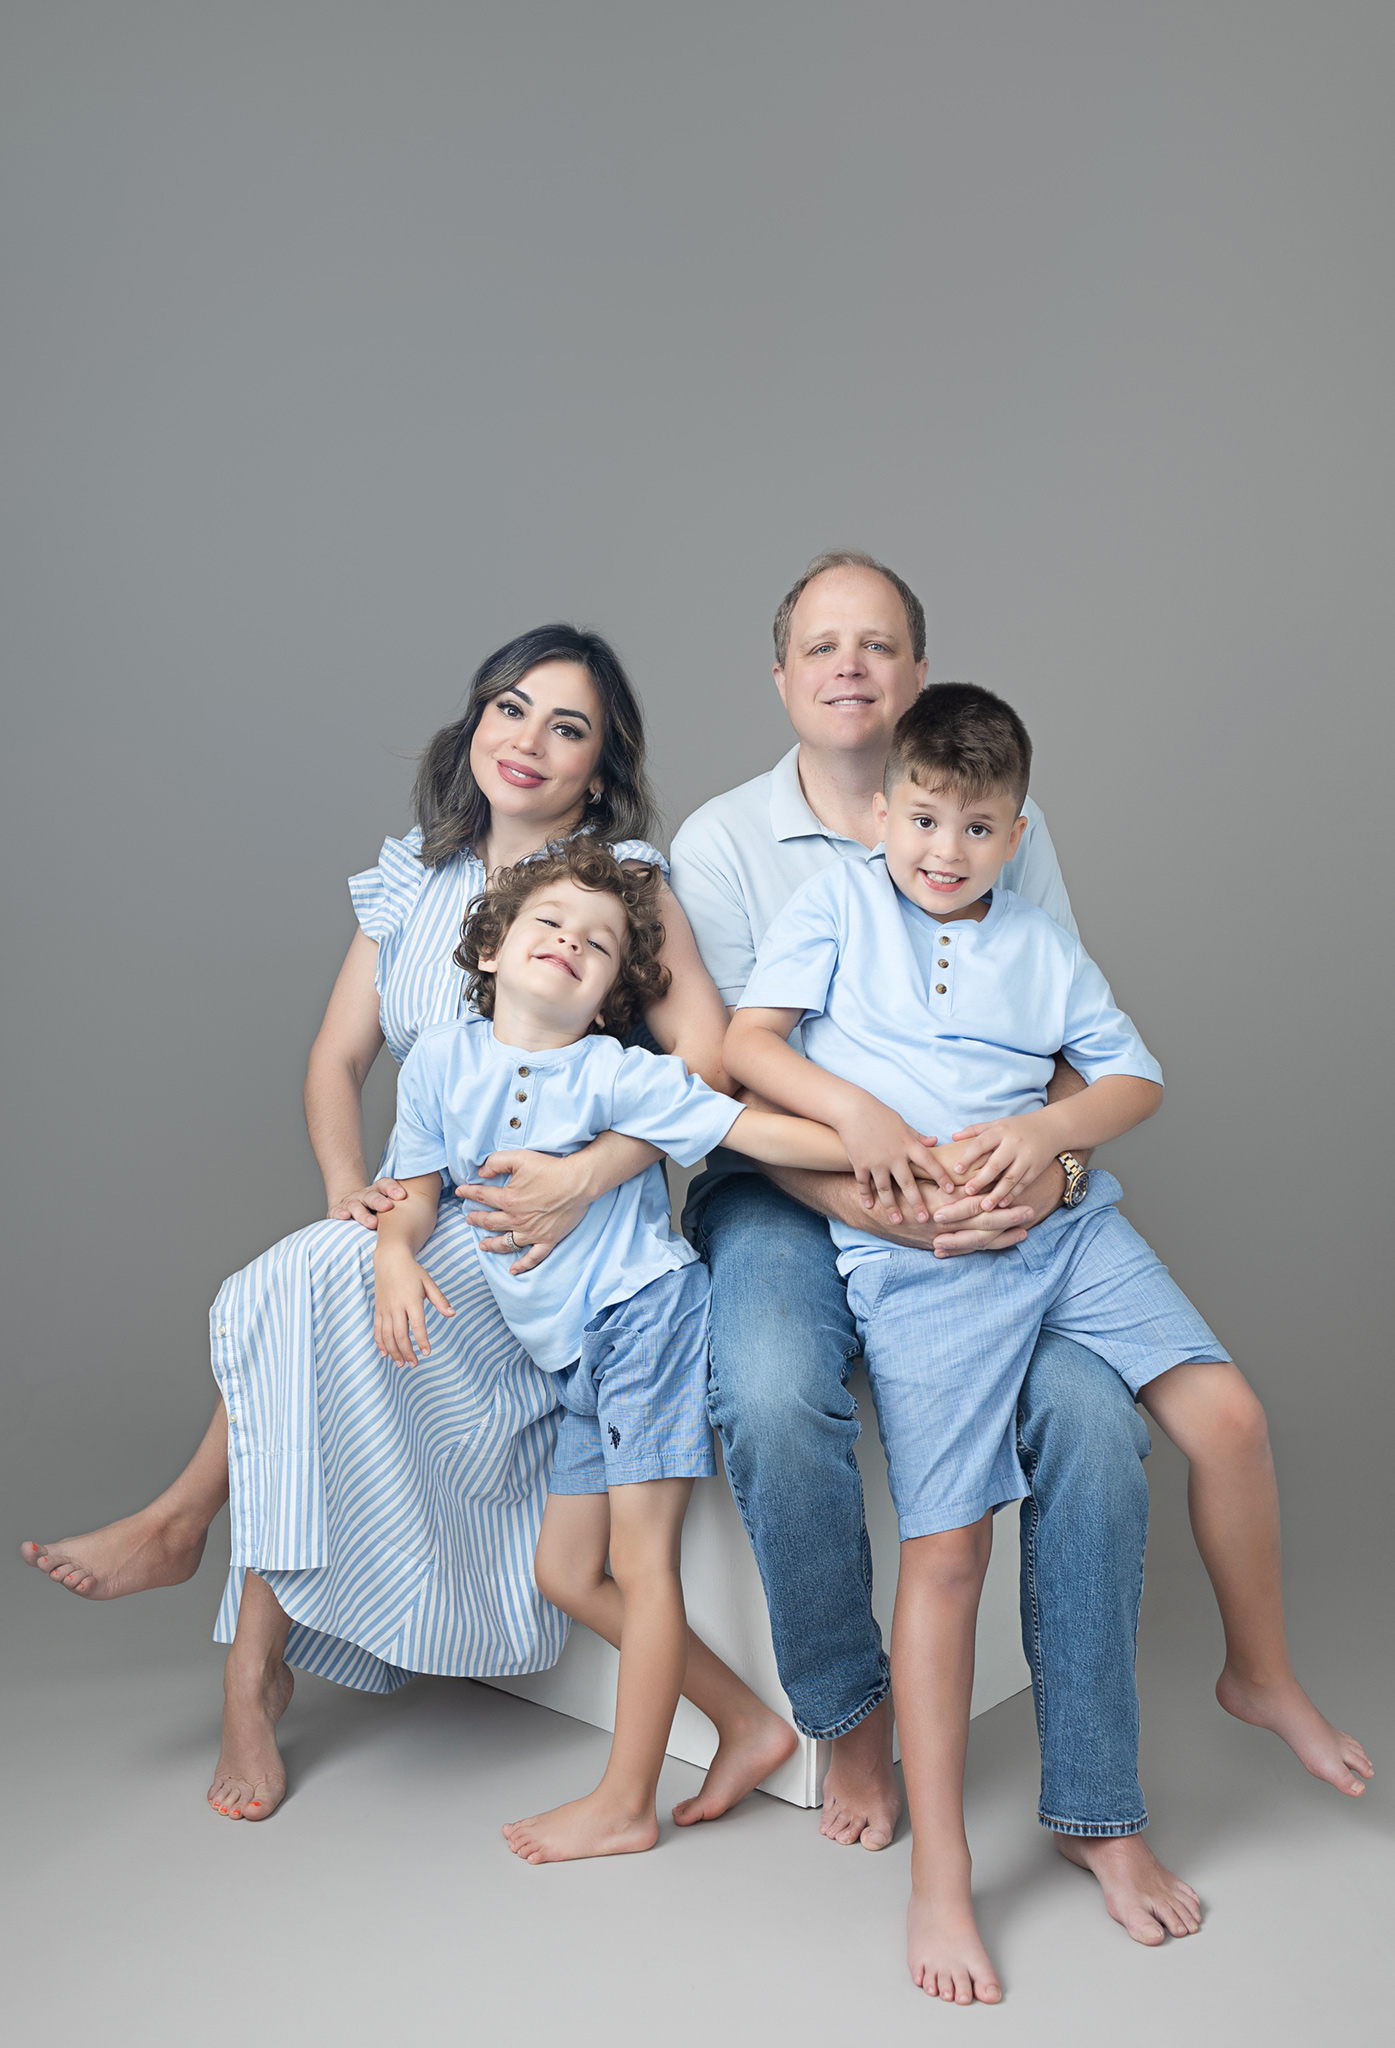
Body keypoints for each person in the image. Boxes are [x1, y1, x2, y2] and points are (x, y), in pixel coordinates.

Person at [20, 624, 749, 1827]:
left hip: (549, 1233)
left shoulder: (618, 878)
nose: (529, 741)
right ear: (473, 726)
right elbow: (337, 1054)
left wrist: (587, 1177)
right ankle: (240, 1649)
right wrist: (353, 1191)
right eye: (511, 709)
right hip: (424, 1196)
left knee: (303, 1293)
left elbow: (711, 1066)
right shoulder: (414, 878)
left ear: (600, 766)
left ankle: (200, 1555)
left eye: (567, 726)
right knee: (317, 1273)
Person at [726, 680, 1372, 2003]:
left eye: (974, 828)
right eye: (920, 820)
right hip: (931, 1268)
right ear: (885, 815)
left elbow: (1133, 1078)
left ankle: (1257, 1674)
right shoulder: (839, 906)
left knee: (1228, 1421)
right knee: (947, 1553)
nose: (942, 852)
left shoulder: (1037, 945)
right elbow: (745, 1043)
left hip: (1061, 1233)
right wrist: (855, 1115)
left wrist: (1048, 1134)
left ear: (1015, 836)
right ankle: (942, 1881)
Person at [667, 551, 1198, 1942]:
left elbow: (1057, 1059)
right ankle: (846, 1712)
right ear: (781, 678)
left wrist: (1053, 1169)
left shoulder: (1004, 824)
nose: (849, 664)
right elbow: (717, 1080)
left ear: (913, 678)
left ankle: (1096, 1806)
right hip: (781, 1183)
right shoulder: (723, 845)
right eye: (821, 645)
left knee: (1092, 1418)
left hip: (974, 1203)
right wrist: (864, 1193)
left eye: (879, 643)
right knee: (775, 1393)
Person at [374, 842, 867, 1859]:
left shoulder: (616, 1073)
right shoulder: (438, 1060)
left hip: (644, 1318)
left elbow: (753, 1130)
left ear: (609, 996)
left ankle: (625, 1799)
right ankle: (747, 1720)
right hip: (569, 1352)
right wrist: (392, 1253)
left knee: (640, 1563)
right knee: (565, 1571)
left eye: (597, 945)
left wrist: (890, 1143)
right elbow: (414, 1187)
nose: (569, 943)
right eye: (549, 924)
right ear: (492, 946)